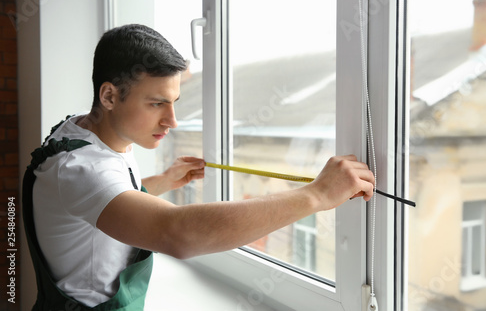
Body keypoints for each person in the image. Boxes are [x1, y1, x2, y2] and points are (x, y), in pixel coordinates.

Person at [23, 24, 374, 310]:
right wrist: (317, 195)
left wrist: (163, 180)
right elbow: (177, 234)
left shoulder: (80, 130)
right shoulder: (79, 168)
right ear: (110, 96)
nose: (172, 120)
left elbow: (105, 201)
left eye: (174, 102)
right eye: (157, 103)